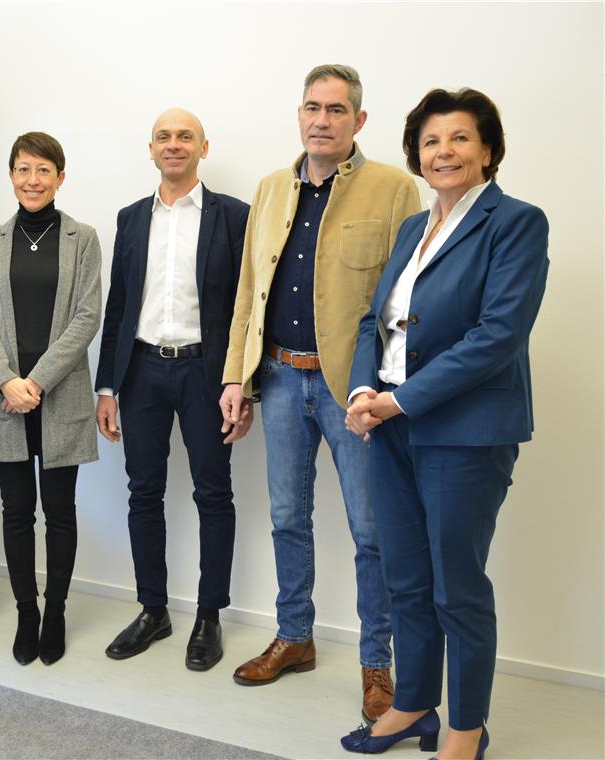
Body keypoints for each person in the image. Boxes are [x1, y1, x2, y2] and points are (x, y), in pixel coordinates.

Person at [340, 88, 548, 760]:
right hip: (390, 426)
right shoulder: (412, 228)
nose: (444, 152)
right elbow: (375, 321)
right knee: (405, 579)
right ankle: (413, 705)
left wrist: (400, 400)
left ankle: (466, 728)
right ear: (417, 155)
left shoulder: (516, 223)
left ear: (487, 149)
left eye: (459, 138)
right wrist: (366, 390)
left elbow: (497, 335)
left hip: (464, 432)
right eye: (431, 141)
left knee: (458, 588)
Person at [220, 64, 420, 722]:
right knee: (286, 518)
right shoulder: (271, 188)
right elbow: (248, 292)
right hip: (279, 378)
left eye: (336, 110)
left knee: (371, 531)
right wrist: (235, 377)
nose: (322, 120)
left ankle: (376, 663)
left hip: (353, 392)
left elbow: (406, 299)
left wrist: (386, 390)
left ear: (358, 120)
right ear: (299, 113)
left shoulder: (393, 188)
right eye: (312, 107)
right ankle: (295, 637)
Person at [95, 108, 249, 672]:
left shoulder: (234, 216)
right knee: (143, 492)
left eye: (186, 136)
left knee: (214, 493)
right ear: (151, 148)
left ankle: (209, 616)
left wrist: (242, 383)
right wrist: (107, 386)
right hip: (141, 372)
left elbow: (245, 308)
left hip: (206, 373)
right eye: (164, 136)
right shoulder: (132, 218)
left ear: (203, 148)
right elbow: (118, 305)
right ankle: (152, 610)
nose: (174, 144)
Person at [0, 132, 101, 666]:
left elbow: (87, 317)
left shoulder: (82, 238)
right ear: (11, 176)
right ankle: (27, 612)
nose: (32, 180)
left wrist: (36, 382)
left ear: (60, 177)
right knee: (17, 512)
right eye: (23, 169)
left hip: (60, 394)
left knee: (60, 512)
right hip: (6, 400)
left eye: (43, 170)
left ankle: (57, 611)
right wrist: (7, 380)